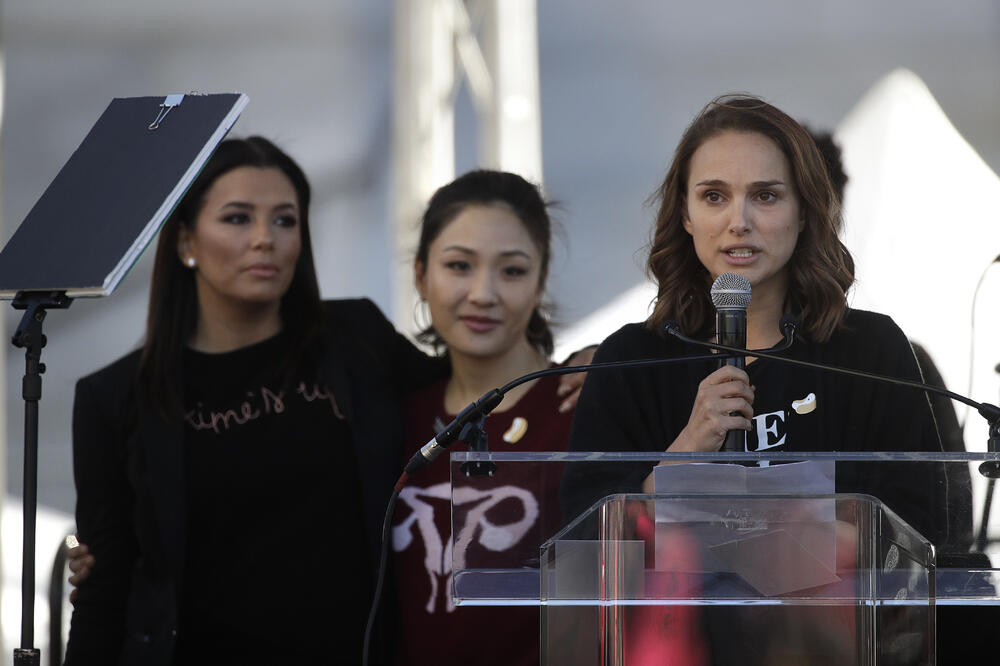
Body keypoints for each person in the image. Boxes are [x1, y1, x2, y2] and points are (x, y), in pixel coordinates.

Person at [560, 95, 951, 664]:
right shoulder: (630, 360)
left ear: (804, 211)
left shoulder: (869, 351)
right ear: (686, 215)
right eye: (714, 196)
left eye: (765, 195)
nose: (738, 221)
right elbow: (576, 553)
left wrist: (785, 531)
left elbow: (922, 541)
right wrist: (688, 451)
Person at [64, 136, 446, 666]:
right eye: (238, 218)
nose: (265, 239)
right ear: (184, 242)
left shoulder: (357, 340)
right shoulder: (114, 398)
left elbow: (470, 395)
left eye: (285, 220)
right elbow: (103, 593)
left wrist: (568, 366)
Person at [390, 170, 574, 665]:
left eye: (511, 270)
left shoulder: (581, 407)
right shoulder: (392, 416)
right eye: (459, 265)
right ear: (420, 274)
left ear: (541, 280)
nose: (483, 293)